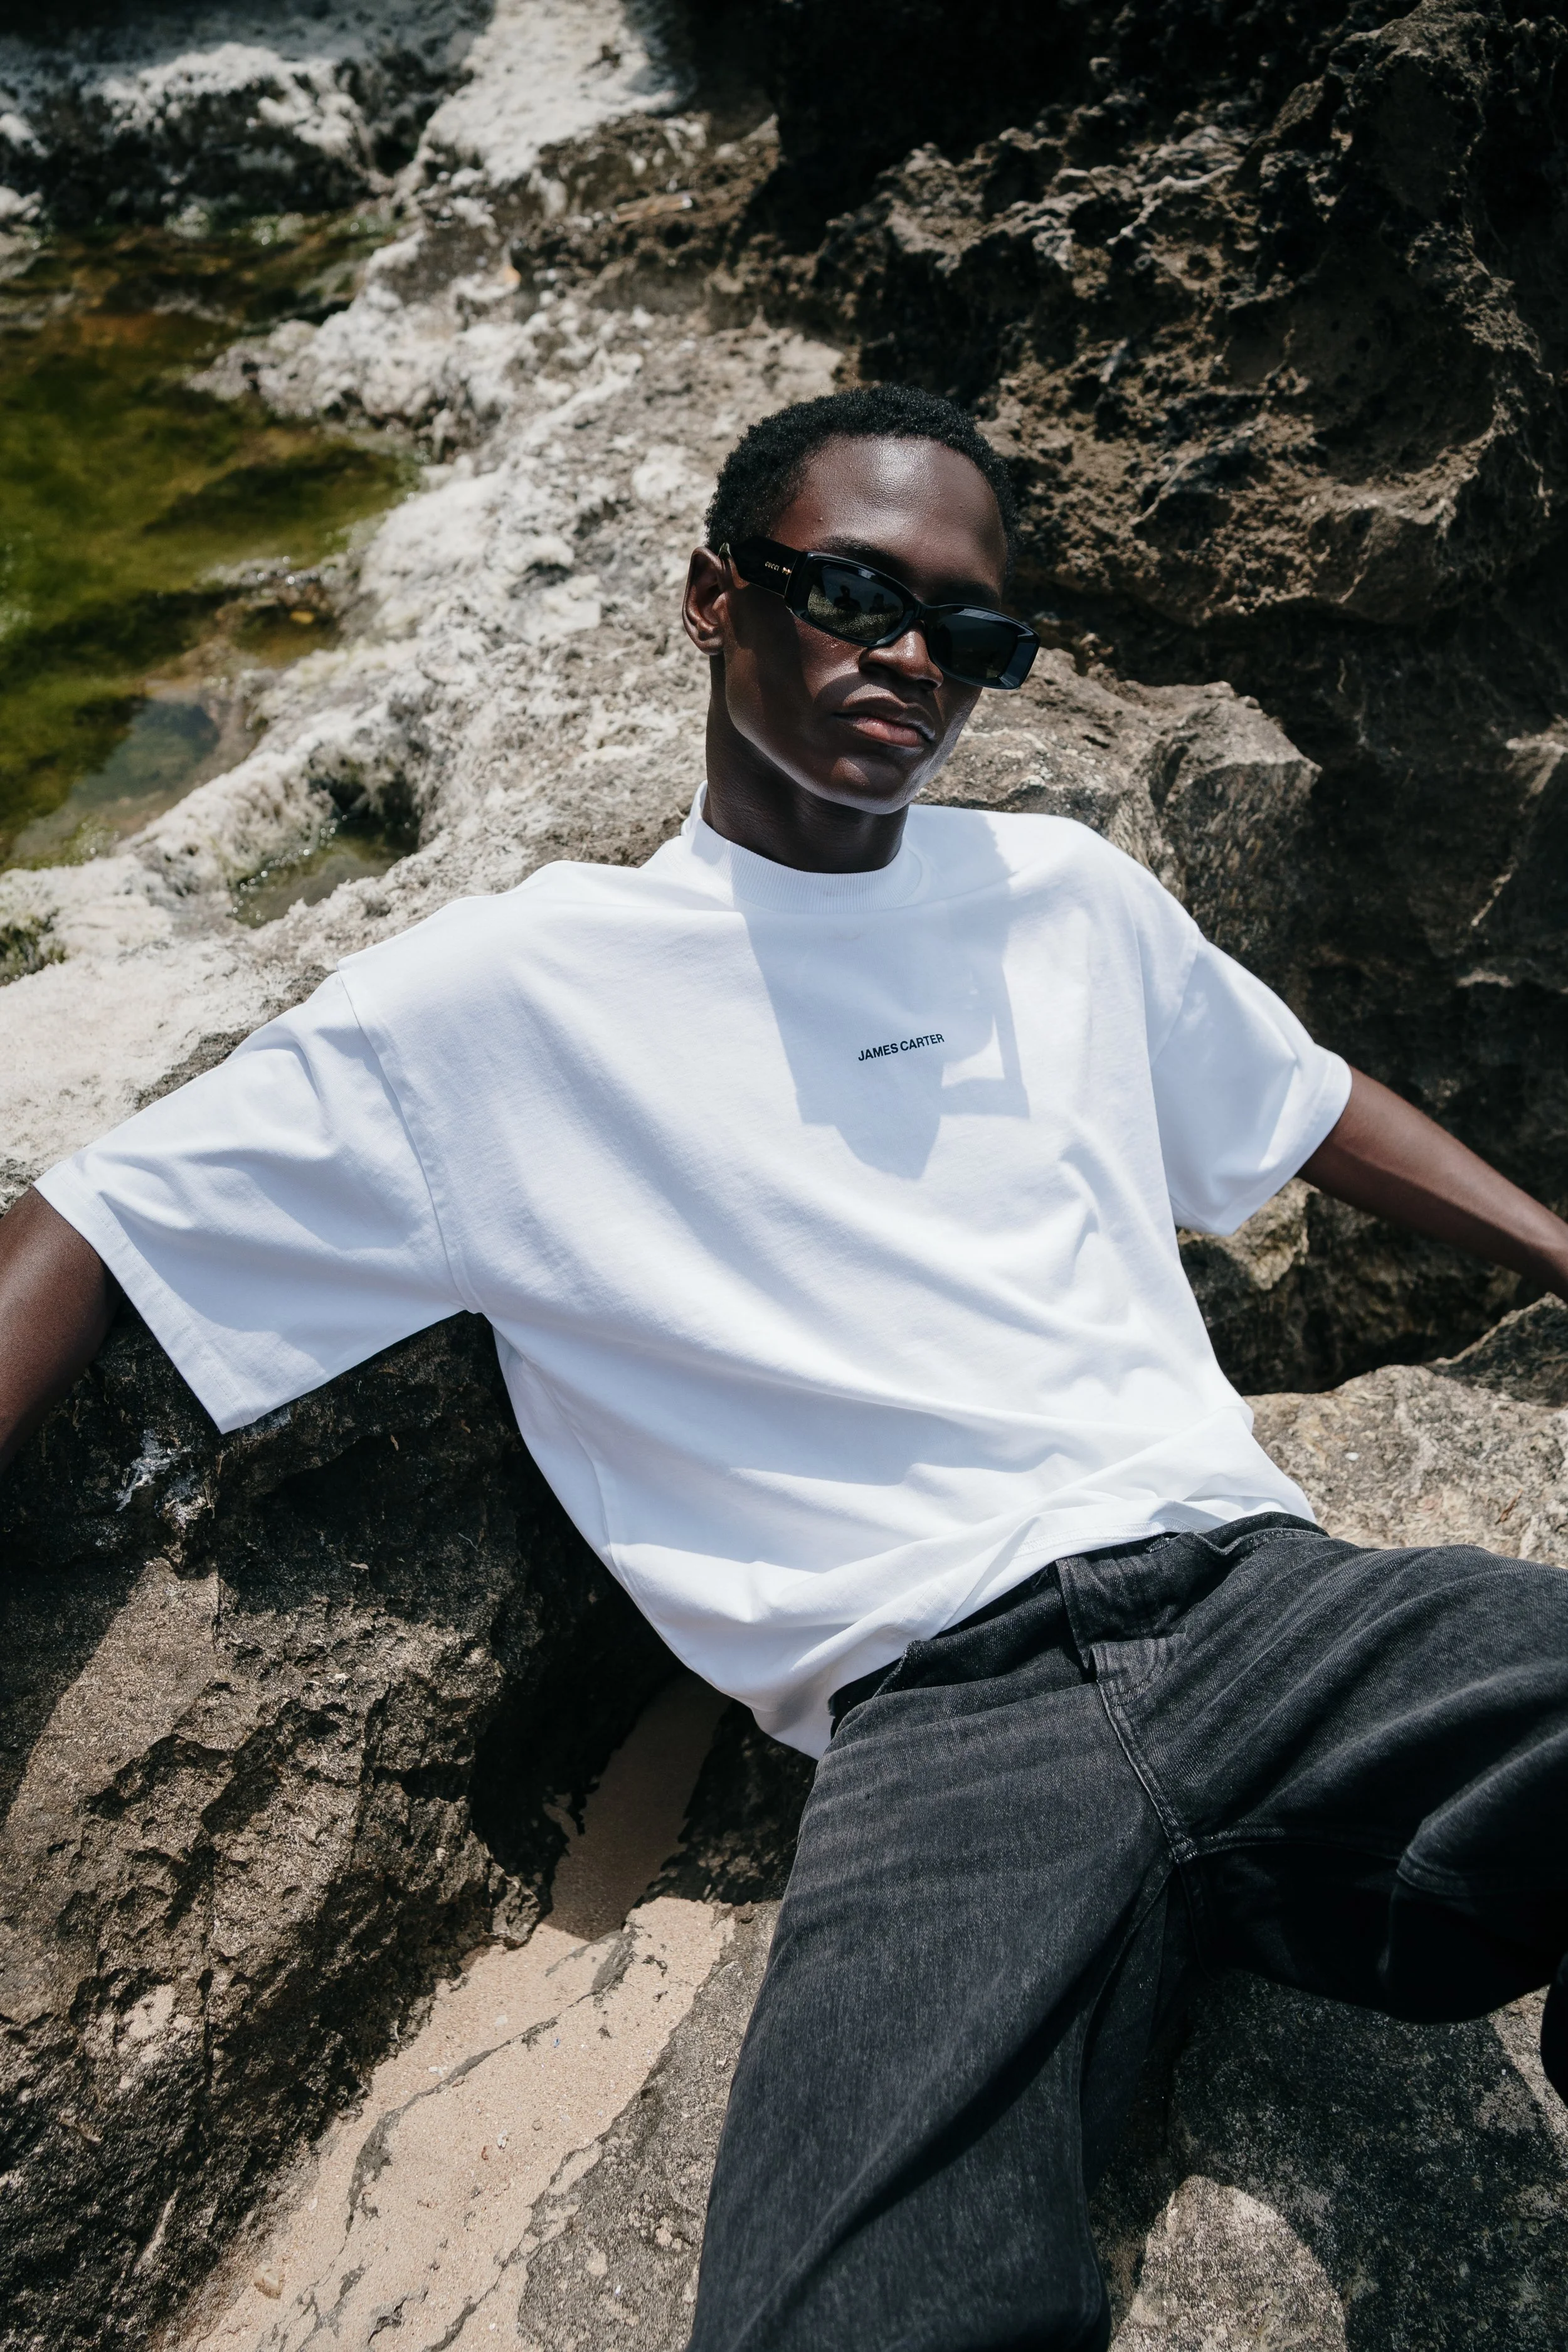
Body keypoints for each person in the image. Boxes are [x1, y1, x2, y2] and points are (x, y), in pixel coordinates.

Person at [1, 384, 1565, 2349]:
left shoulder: (1060, 897)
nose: (911, 653)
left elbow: (1313, 1103)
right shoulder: (501, 998)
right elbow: (88, 1226)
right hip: (938, 1725)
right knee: (837, 2309)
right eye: (850, 590)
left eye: (970, 631)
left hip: (1272, 1611)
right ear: (708, 597)